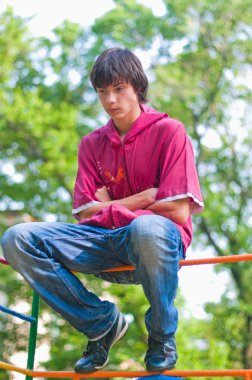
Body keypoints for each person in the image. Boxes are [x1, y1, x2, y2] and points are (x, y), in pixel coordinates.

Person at [1, 47, 204, 374]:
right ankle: (100, 324)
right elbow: (85, 216)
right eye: (102, 92)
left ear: (137, 87)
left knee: (147, 229)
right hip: (103, 244)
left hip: (154, 247)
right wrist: (144, 199)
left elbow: (178, 212)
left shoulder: (170, 132)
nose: (111, 100)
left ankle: (162, 336)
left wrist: (109, 205)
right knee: (16, 238)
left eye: (119, 89)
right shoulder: (91, 144)